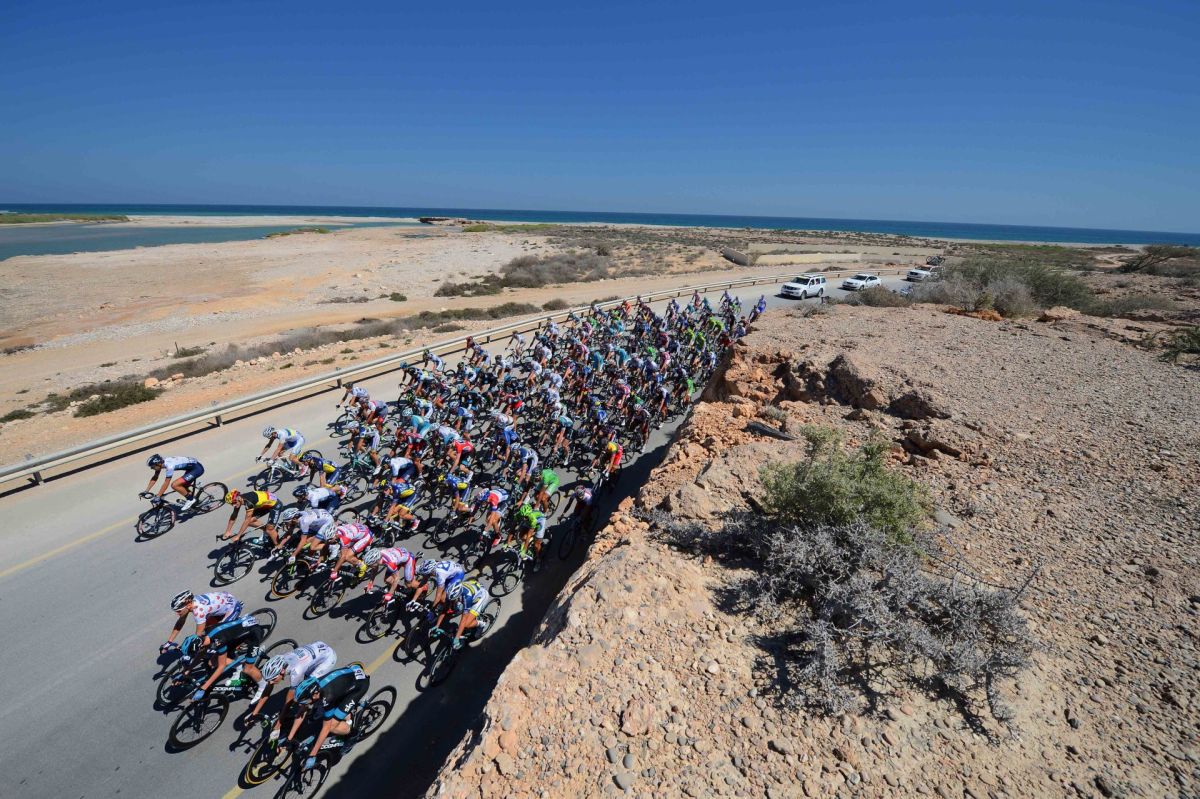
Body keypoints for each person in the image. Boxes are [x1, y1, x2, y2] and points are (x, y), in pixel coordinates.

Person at [289, 664, 371, 772]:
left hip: (359, 686)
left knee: (332, 725)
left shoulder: (327, 697)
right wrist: (289, 738)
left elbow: (326, 728)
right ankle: (347, 716)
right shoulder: (314, 687)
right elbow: (301, 712)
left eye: (305, 701)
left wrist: (312, 755)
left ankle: (353, 735)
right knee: (321, 712)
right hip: (349, 676)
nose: (302, 704)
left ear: (315, 694)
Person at [248, 641, 337, 731]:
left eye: (273, 679)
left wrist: (278, 725)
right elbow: (268, 689)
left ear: (282, 671)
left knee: (308, 689)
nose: (271, 682)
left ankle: (318, 706)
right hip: (315, 651)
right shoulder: (281, 659)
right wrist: (254, 714)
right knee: (301, 687)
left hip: (327, 658)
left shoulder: (296, 671)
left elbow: (289, 702)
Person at [190, 613, 270, 701]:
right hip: (238, 631)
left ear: (201, 646)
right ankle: (240, 667)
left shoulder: (218, 642)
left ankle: (263, 686)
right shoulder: (204, 635)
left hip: (254, 633)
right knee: (212, 661)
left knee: (248, 669)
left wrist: (204, 688)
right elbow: (200, 654)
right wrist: (188, 669)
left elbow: (221, 667)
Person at [162, 590, 243, 652]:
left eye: (179, 611)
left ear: (188, 606)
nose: (177, 614)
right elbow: (180, 623)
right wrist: (169, 642)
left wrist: (184, 647)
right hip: (224, 602)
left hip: (232, 608)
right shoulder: (191, 603)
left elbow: (197, 637)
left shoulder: (199, 612)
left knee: (221, 635)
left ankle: (239, 642)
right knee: (207, 631)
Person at [433, 579, 492, 650]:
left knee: (466, 624)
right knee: (451, 607)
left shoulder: (467, 598)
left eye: (453, 600)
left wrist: (456, 638)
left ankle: (482, 624)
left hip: (481, 597)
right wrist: (437, 625)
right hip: (473, 587)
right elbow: (445, 609)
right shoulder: (450, 591)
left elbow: (463, 619)